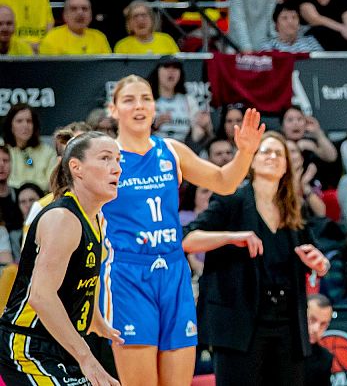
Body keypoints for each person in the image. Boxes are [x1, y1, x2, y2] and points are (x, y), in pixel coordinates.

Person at [104, 75, 266, 386]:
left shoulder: (171, 150)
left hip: (173, 272)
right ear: (113, 109)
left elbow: (224, 182)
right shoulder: (106, 156)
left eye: (146, 98)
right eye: (129, 100)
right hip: (128, 274)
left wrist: (245, 152)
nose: (139, 106)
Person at [182, 130, 331, 386]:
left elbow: (319, 258)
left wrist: (321, 264)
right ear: (251, 160)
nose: (272, 157)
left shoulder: (291, 209)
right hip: (239, 325)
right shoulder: (232, 199)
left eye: (278, 153)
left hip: (287, 325)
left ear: (286, 165)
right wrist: (231, 237)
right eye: (265, 151)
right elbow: (187, 239)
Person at [0, 132, 121, 386]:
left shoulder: (97, 218)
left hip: (63, 343)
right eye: (106, 159)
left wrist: (96, 319)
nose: (117, 169)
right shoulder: (62, 218)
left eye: (118, 160)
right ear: (76, 168)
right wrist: (87, 357)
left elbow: (88, 275)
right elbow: (41, 296)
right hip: (30, 343)